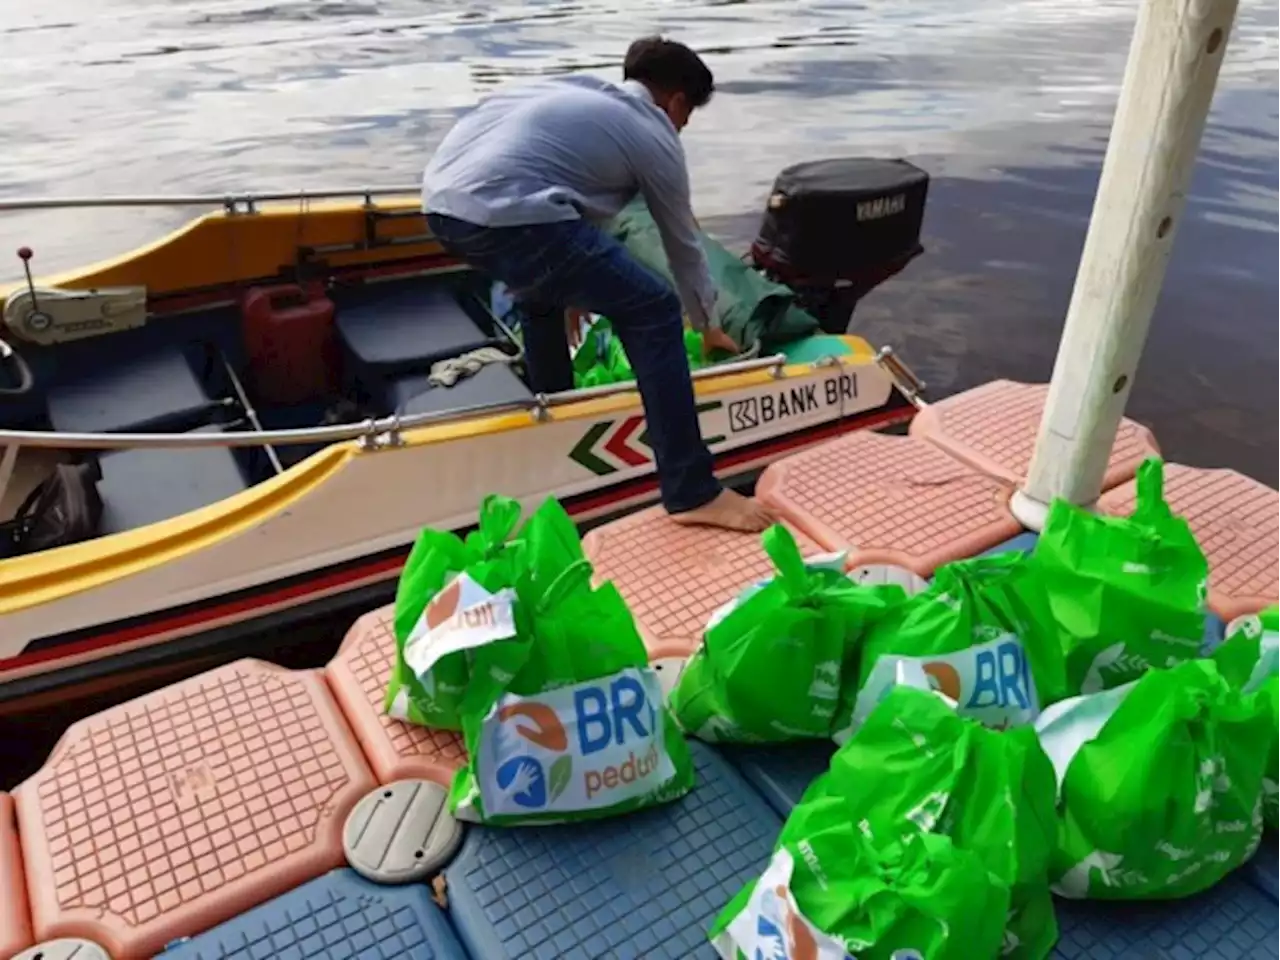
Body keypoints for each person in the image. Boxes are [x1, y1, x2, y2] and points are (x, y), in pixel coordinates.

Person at [421, 36, 773, 534]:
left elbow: (568, 193)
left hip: (442, 208)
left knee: (539, 292)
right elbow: (683, 245)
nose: (684, 125)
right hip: (512, 215)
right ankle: (693, 491)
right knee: (653, 308)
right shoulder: (652, 133)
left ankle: (555, 407)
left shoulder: (578, 95)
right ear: (675, 101)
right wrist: (707, 324)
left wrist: (571, 290)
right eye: (688, 113)